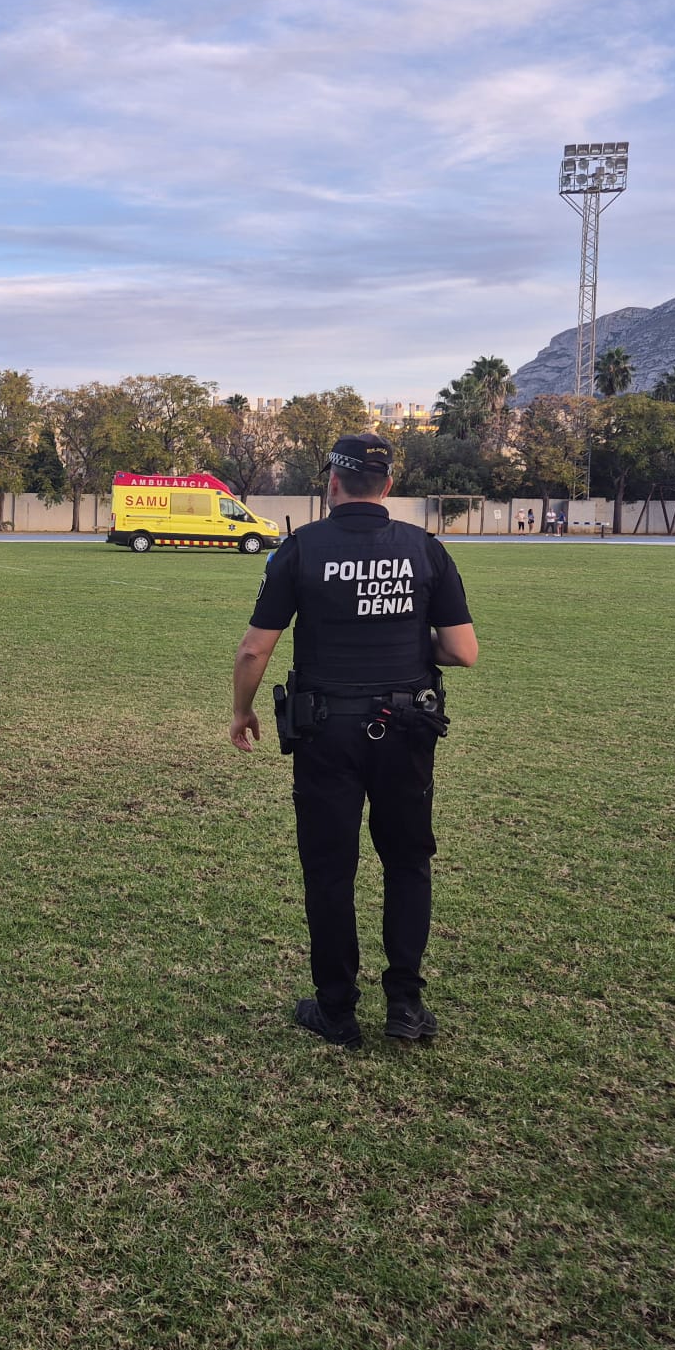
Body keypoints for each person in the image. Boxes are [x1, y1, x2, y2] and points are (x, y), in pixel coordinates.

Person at [229, 432, 479, 1049]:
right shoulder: (425, 549)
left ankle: (336, 1010)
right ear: (388, 487)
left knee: (330, 869)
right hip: (408, 727)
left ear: (331, 483)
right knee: (407, 863)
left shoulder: (301, 548)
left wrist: (241, 712)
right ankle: (405, 1007)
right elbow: (462, 652)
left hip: (325, 730)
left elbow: (256, 647)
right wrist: (400, 641)